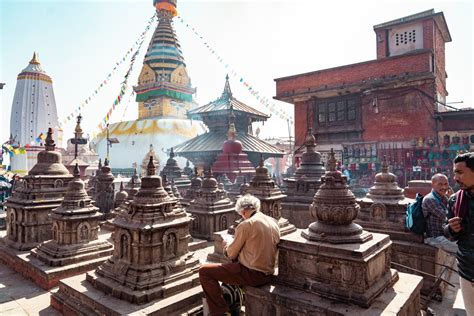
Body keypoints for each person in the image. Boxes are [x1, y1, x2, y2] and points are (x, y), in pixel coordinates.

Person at [199, 194, 280, 316]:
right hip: (268, 272)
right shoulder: (273, 222)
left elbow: (231, 254)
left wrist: (226, 244)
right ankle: (234, 296)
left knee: (204, 271)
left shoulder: (247, 224)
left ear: (244, 210)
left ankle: (220, 311)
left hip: (252, 274)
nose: (241, 216)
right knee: (230, 267)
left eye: (241, 213)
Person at [444, 152, 474, 316]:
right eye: (454, 172)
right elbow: (447, 232)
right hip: (467, 270)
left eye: (460, 172)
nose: (455, 178)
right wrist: (451, 229)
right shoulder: (455, 200)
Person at [422, 173, 457, 253]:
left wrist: (451, 198)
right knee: (463, 250)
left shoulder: (444, 197)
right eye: (440, 184)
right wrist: (453, 199)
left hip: (446, 235)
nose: (444, 187)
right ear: (433, 185)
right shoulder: (430, 199)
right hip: (435, 237)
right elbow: (447, 218)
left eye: (446, 184)